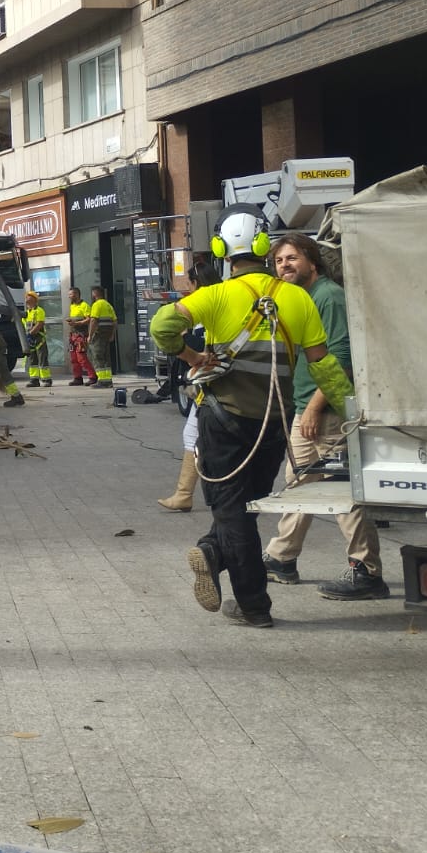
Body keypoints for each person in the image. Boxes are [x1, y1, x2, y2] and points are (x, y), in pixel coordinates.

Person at [150, 204, 353, 628]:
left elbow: (161, 327)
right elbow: (324, 365)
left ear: (222, 248)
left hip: (223, 418)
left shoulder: (215, 295)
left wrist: (193, 356)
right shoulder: (298, 298)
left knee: (231, 512)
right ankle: (212, 552)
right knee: (246, 508)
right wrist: (352, 411)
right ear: (264, 245)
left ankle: (253, 604)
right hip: (275, 422)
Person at [261, 234, 388, 600]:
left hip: (327, 410)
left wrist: (315, 408)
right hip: (310, 405)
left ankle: (366, 571)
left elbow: (342, 358)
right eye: (279, 260)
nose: (284, 265)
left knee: (338, 488)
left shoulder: (327, 297)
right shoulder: (304, 298)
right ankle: (281, 558)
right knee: (302, 482)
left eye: (292, 258)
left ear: (311, 262)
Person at [157, 258, 221, 512]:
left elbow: (168, 331)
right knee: (194, 430)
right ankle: (185, 494)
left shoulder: (203, 300)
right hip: (210, 377)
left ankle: (186, 494)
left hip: (211, 376)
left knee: (195, 434)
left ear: (196, 282)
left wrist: (186, 343)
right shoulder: (224, 294)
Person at [86, 285, 117, 387]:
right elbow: (114, 321)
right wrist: (112, 334)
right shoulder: (108, 305)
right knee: (106, 356)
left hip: (99, 333)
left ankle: (102, 381)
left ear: (94, 294)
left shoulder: (97, 305)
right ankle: (108, 380)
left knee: (97, 356)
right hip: (107, 333)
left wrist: (90, 335)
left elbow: (94, 320)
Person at [22, 291, 53, 388]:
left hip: (39, 339)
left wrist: (30, 334)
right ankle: (34, 380)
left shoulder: (39, 310)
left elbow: (40, 324)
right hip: (30, 339)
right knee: (32, 360)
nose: (27, 299)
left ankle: (46, 379)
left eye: (29, 297)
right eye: (26, 297)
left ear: (34, 299)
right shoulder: (26, 313)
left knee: (42, 359)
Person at [65, 287, 92, 385]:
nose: (69, 296)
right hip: (73, 335)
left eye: (71, 294)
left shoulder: (84, 305)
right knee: (74, 359)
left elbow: (89, 319)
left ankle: (93, 377)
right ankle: (78, 378)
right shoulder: (72, 306)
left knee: (82, 358)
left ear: (76, 294)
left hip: (81, 336)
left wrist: (78, 323)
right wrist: (71, 321)